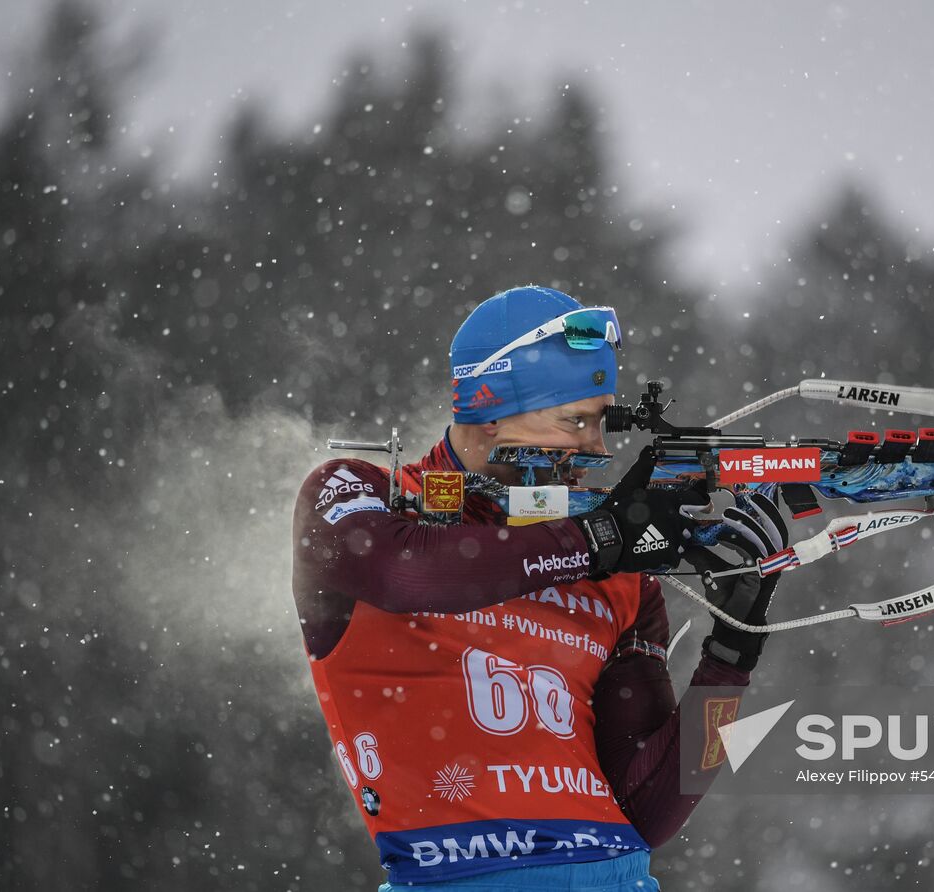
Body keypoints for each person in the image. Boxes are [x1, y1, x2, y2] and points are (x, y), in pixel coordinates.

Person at [292, 285, 790, 891]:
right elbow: (403, 573)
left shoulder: (616, 573)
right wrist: (601, 536)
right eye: (575, 420)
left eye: (602, 422)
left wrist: (731, 655)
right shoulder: (363, 491)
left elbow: (647, 811)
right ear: (489, 410)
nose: (597, 448)